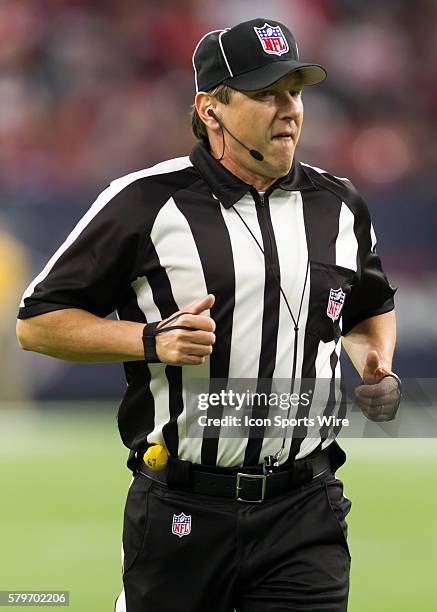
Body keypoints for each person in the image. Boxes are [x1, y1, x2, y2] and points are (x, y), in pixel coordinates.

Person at [16, 18, 401, 612]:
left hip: (306, 508)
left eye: (295, 91)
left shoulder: (339, 204)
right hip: (184, 506)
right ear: (210, 108)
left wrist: (377, 360)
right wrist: (150, 340)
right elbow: (37, 321)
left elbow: (371, 306)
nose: (289, 109)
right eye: (266, 93)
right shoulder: (144, 201)